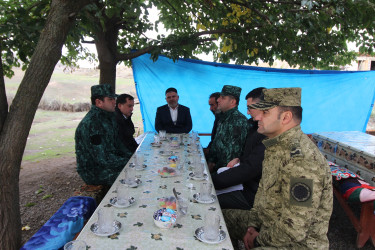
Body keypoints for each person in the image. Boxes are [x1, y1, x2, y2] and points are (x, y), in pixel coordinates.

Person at [223, 88, 333, 249]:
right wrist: (252, 226)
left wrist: (257, 240)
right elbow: (262, 196)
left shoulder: (302, 160)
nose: (257, 116)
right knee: (216, 217)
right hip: (268, 222)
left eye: (265, 112)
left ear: (286, 117)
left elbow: (293, 229)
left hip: (296, 243)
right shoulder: (275, 145)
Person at [212, 87, 266, 210]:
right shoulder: (253, 125)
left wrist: (212, 181)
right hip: (235, 179)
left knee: (210, 202)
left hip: (249, 191)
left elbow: (250, 168)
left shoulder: (264, 132)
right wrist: (240, 159)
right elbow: (249, 155)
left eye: (250, 108)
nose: (247, 112)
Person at [75, 84, 133, 186]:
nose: (114, 102)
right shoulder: (91, 123)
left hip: (109, 164)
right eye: (110, 99)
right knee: (133, 176)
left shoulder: (109, 118)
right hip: (94, 171)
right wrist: (129, 161)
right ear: (99, 102)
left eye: (114, 98)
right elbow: (103, 158)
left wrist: (132, 157)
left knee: (139, 169)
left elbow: (118, 144)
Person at [207, 85, 248, 173]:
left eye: (223, 98)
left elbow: (232, 154)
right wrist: (210, 162)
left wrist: (216, 174)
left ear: (232, 101)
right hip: (216, 168)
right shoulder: (222, 117)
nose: (218, 100)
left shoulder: (239, 121)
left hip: (226, 172)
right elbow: (216, 143)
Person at [204, 92, 221, 156]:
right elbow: (214, 139)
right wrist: (207, 149)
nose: (210, 109)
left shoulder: (229, 120)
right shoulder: (218, 118)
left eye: (212, 105)